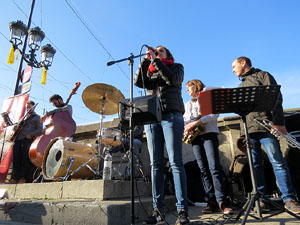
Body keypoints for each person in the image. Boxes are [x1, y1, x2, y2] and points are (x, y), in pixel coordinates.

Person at [232, 56, 300, 214]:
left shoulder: (263, 75)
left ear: (243, 63)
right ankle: (261, 200)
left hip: (265, 127)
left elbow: (276, 98)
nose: (233, 70)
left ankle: (289, 199)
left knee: (277, 162)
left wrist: (279, 122)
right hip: (249, 131)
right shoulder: (240, 84)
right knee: (254, 165)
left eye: (234, 66)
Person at [134, 45, 189, 225]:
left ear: (168, 54)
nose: (157, 52)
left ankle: (182, 210)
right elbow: (138, 82)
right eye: (155, 51)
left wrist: (156, 61)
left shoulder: (176, 67)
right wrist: (145, 61)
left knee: (175, 162)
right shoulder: (151, 72)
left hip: (171, 115)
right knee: (155, 164)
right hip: (152, 118)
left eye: (161, 51)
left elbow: (173, 80)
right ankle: (158, 211)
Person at [183, 79, 234, 215]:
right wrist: (188, 127)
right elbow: (186, 119)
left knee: (214, 168)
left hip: (209, 134)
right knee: (203, 169)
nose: (187, 90)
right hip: (196, 137)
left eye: (189, 87)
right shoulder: (187, 104)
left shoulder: (207, 97)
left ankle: (222, 202)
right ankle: (211, 202)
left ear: (196, 86)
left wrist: (197, 122)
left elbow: (213, 114)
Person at [9, 100, 43, 184]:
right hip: (18, 139)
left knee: (25, 159)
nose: (28, 109)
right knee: (16, 159)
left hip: (28, 140)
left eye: (29, 107)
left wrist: (31, 135)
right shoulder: (22, 118)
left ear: (33, 107)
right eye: (26, 107)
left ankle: (23, 178)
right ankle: (14, 178)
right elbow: (18, 128)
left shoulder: (37, 117)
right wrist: (15, 128)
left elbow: (40, 130)